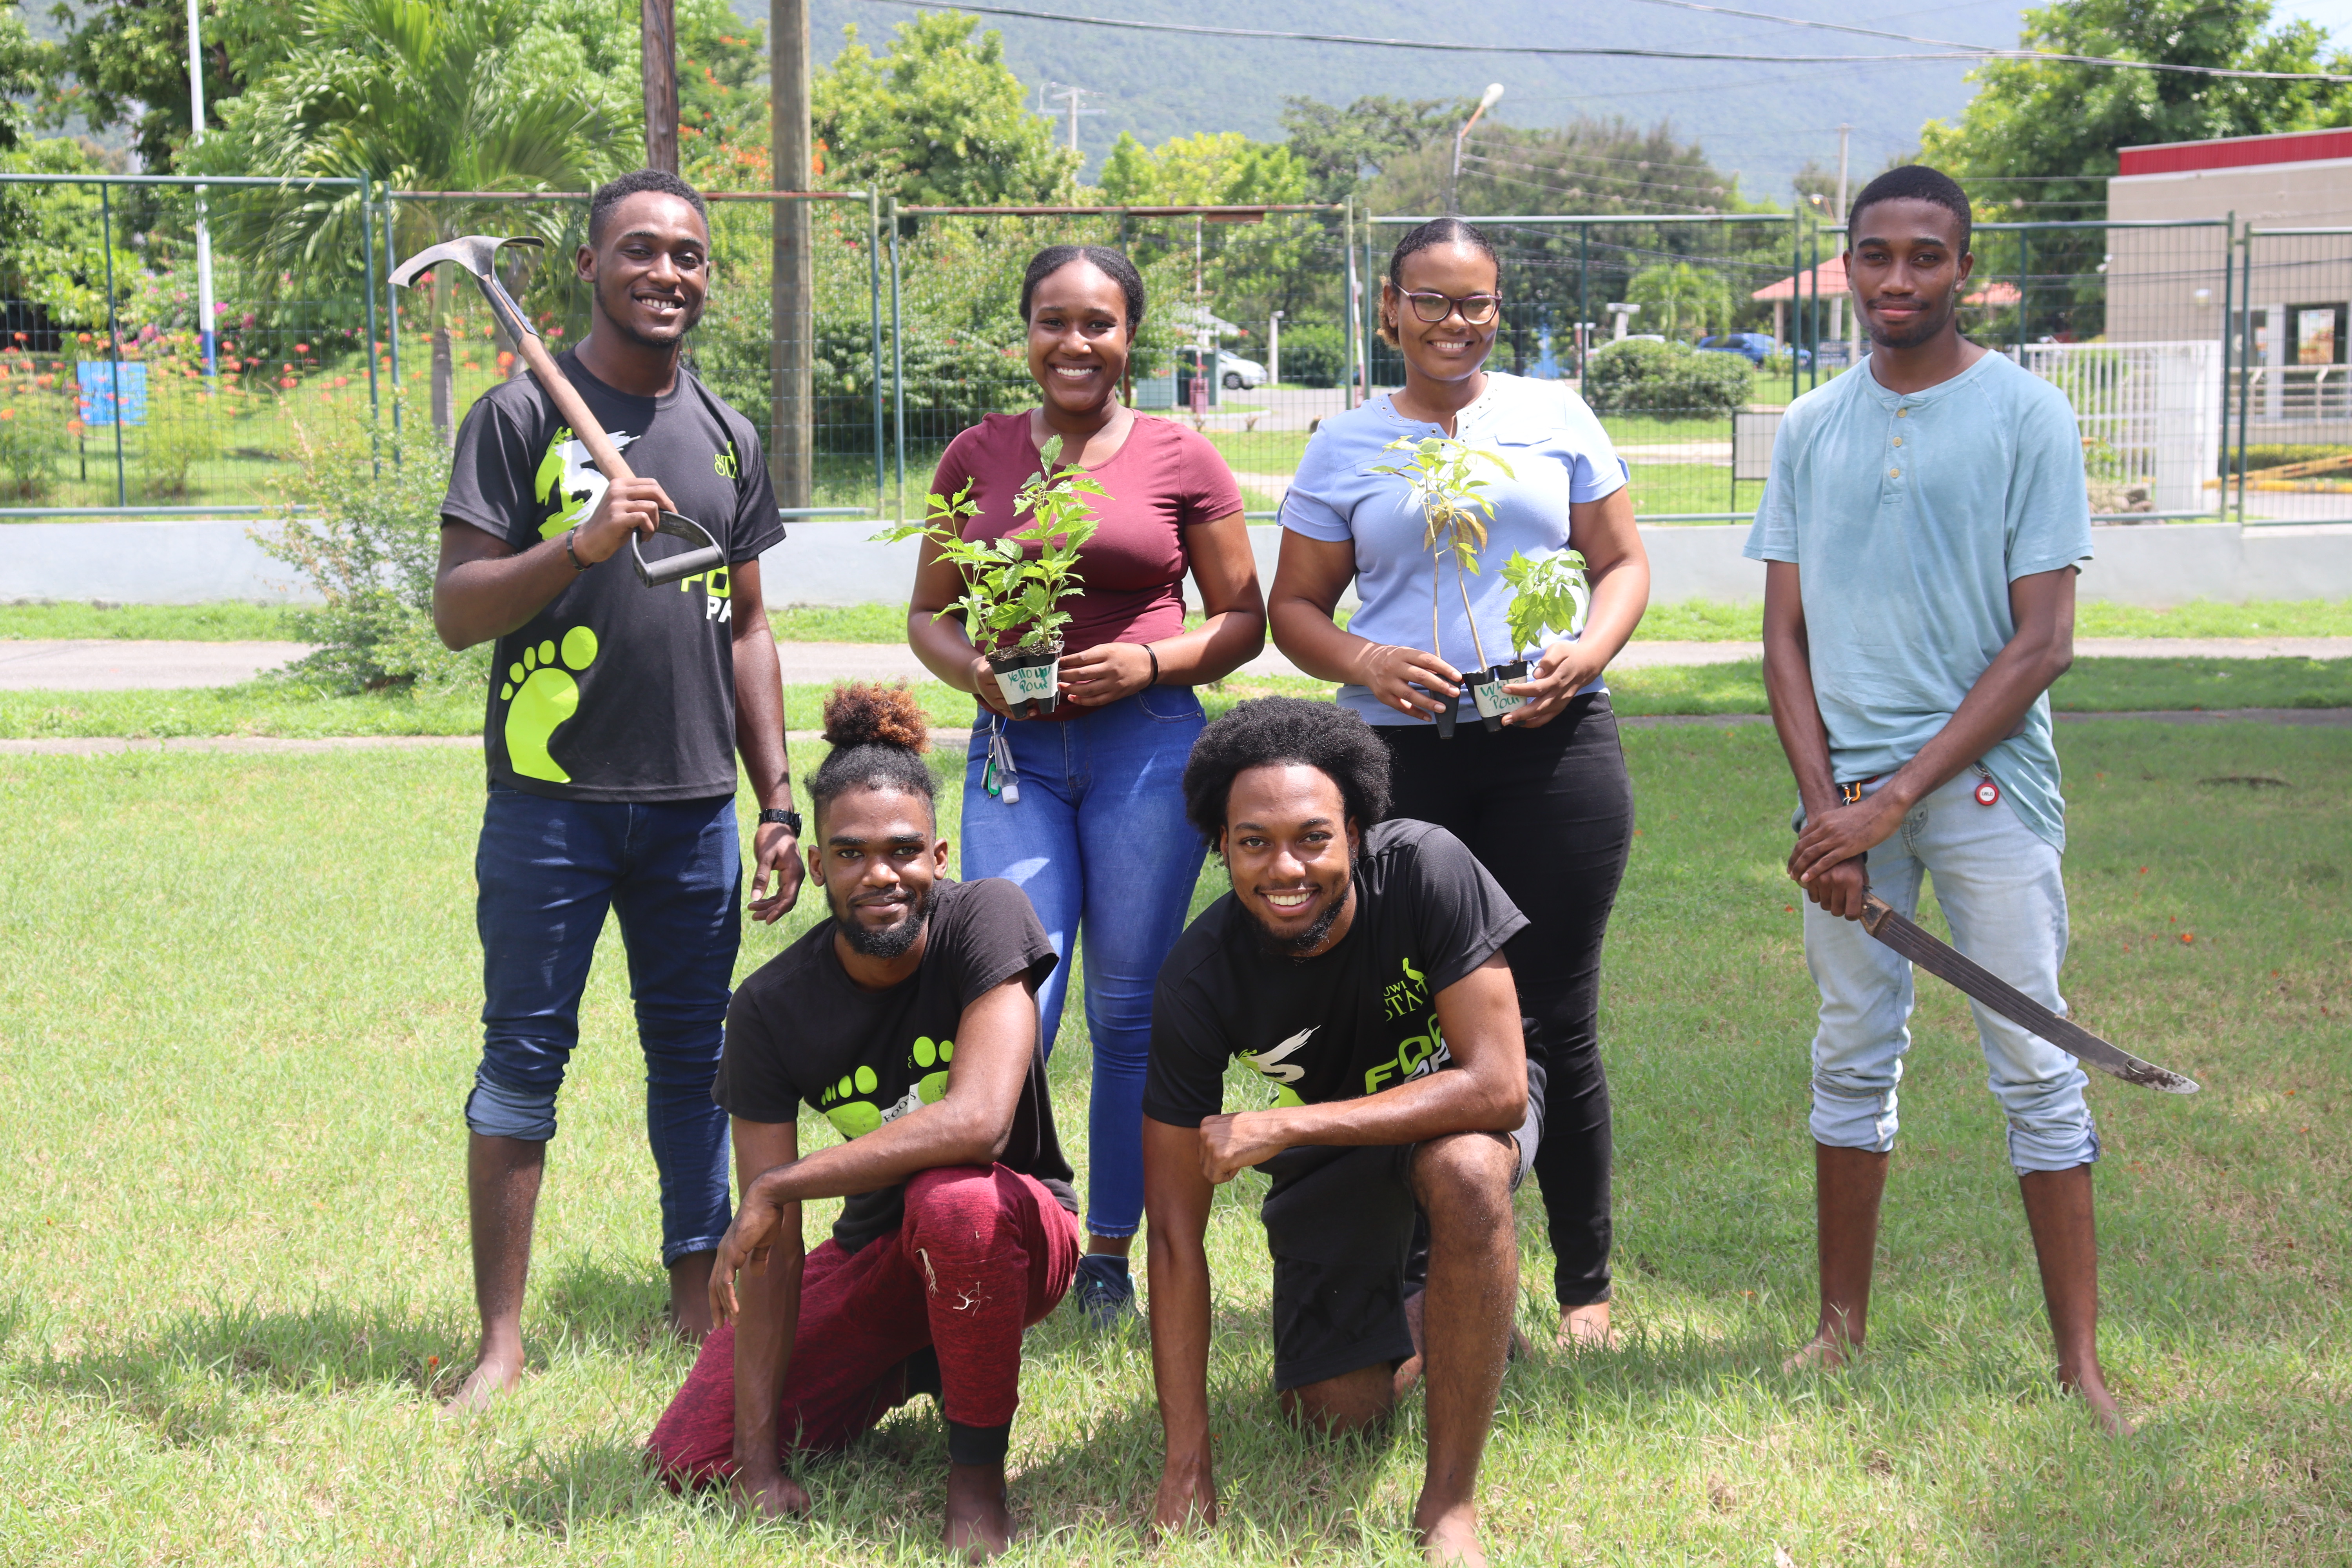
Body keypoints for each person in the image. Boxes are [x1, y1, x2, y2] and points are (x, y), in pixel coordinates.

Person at [1746, 165, 2120, 1429]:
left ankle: (2080, 1368)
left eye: (1924, 256)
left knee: (2036, 1061)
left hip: (1984, 796)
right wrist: (1826, 813)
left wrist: (1892, 799)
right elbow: (1782, 641)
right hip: (1845, 808)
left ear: (1967, 267)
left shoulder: (2027, 416)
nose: (1896, 280)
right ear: (1846, 265)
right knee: (1851, 1055)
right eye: (1874, 256)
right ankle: (1837, 1333)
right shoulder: (1809, 427)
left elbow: (2043, 644)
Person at [431, 169, 803, 1408]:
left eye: (689, 256)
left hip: (696, 807)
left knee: (695, 1058)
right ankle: (501, 1340)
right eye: (639, 251)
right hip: (549, 804)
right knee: (523, 1057)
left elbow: (748, 628)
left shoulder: (727, 434)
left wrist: (780, 799)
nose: (667, 273)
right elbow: (454, 612)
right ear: (589, 267)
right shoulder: (519, 416)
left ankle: (696, 1304)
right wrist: (580, 544)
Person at [1269, 217, 1650, 1350]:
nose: (1454, 323)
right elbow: (1296, 609)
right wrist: (1366, 662)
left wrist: (1589, 650)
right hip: (1402, 756)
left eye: (1475, 302)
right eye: (1429, 301)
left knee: (1556, 1020)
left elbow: (1622, 563)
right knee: (1424, 1024)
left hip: (1555, 745)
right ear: (1389, 310)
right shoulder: (1345, 444)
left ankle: (1584, 1288)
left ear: (1500, 310)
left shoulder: (1555, 416)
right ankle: (1436, 1279)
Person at [904, 243, 1266, 1325]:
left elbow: (1242, 619)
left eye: (1097, 324)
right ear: (1026, 334)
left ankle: (1109, 1252)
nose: (1075, 343)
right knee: (1014, 998)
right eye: (1053, 322)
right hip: (1015, 754)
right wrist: (972, 668)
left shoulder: (1180, 456)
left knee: (1128, 1008)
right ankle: (1004, 1228)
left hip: (1147, 747)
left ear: (1128, 338)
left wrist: (1152, 661)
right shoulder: (976, 456)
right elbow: (928, 612)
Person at [645, 683, 1080, 1557]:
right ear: (815, 866)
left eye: (903, 851)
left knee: (956, 1200)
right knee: (695, 1453)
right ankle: (916, 1355)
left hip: (1020, 1225)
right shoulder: (770, 1009)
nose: (880, 875)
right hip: (883, 1250)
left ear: (939, 854)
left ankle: (976, 1482)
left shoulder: (986, 917)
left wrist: (783, 1181)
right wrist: (761, 1462)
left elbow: (980, 1121)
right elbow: (771, 1249)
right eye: (849, 853)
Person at [1143, 698, 1537, 1568]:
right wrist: (1186, 1459)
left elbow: (1499, 1085)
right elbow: (1173, 1232)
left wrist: (1287, 1122)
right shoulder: (1198, 981)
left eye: (1314, 837)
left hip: (1453, 1105)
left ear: (1356, 831)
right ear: (1220, 847)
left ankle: (1448, 1506)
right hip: (1329, 1158)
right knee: (1335, 1414)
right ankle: (1453, 1304)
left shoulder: (1430, 866)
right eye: (1253, 842)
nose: (1287, 867)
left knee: (1468, 1171)